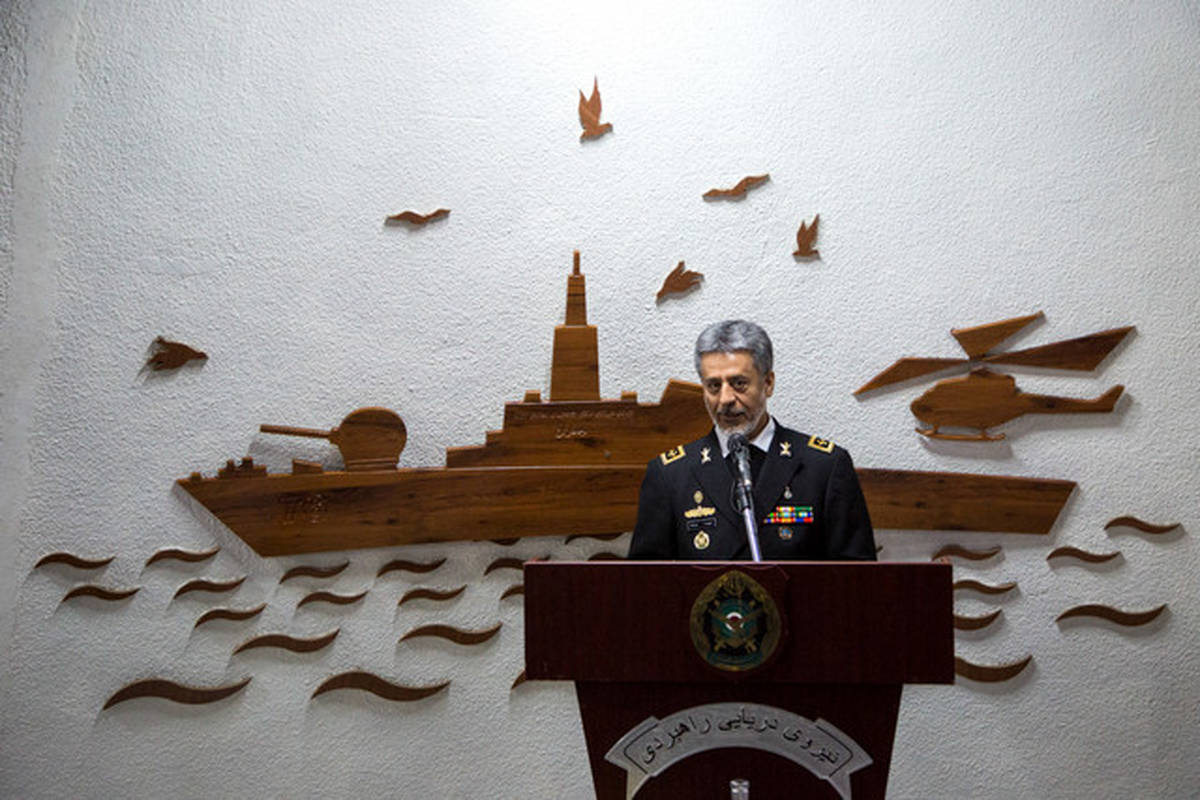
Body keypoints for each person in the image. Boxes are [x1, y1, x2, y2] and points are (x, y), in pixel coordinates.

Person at [627, 320, 876, 560]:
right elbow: (646, 581)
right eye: (713, 386)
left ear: (768, 383)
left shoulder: (825, 467)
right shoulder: (670, 474)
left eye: (739, 384)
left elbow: (856, 579)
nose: (725, 399)